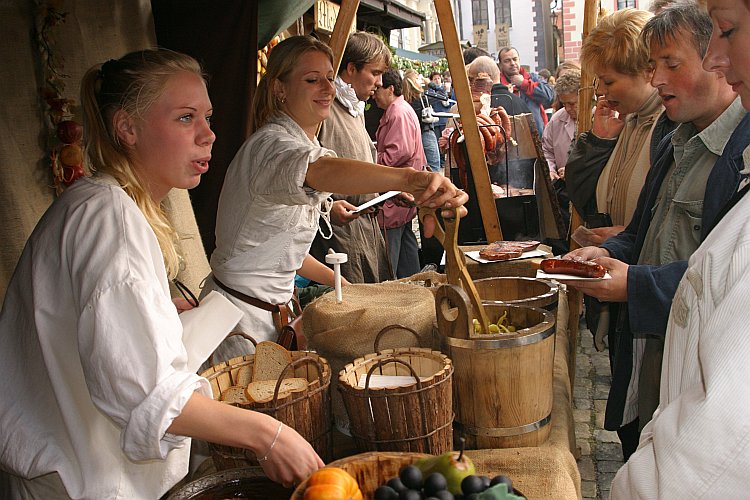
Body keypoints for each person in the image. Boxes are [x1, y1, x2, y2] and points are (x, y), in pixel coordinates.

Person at [0, 48, 324, 499]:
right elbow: (149, 397)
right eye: (185, 118)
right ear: (127, 128)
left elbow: (91, 325)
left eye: (207, 117)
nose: (208, 135)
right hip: (75, 481)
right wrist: (267, 434)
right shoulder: (110, 218)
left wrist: (154, 313)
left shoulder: (107, 204)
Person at [565, 3, 748, 462]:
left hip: (699, 378)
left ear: (716, 60)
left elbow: (726, 282)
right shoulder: (674, 141)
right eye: (653, 66)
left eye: (671, 64)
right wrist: (608, 253)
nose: (659, 79)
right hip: (653, 360)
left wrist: (635, 284)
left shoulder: (739, 154)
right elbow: (643, 230)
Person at [203, 37, 467, 354]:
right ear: (279, 89)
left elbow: (286, 252)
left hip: (274, 316)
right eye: (312, 80)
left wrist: (342, 284)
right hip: (239, 326)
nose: (328, 88)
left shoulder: (297, 141)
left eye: (329, 77)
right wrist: (410, 179)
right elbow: (321, 170)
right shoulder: (271, 145)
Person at [566, 8, 676, 239]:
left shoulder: (673, 124)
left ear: (647, 72)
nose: (600, 91)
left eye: (608, 81)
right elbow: (582, 199)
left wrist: (629, 240)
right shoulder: (625, 119)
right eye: (599, 81)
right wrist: (598, 142)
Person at [308, 31, 391, 284]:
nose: (379, 82)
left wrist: (388, 191)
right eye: (374, 73)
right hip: (339, 236)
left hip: (366, 227)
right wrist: (327, 208)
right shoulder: (324, 110)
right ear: (352, 68)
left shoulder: (356, 109)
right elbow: (304, 173)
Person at [372, 68, 427, 278]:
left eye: (378, 89)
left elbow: (399, 152)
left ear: (391, 89)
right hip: (402, 193)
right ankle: (414, 289)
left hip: (396, 195)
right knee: (406, 248)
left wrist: (368, 160)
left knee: (391, 256)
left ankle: (392, 296)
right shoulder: (399, 109)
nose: (374, 94)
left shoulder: (397, 112)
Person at [542, 70, 581, 254]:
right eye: (564, 103)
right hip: (563, 190)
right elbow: (547, 151)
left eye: (572, 103)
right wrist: (550, 169)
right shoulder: (557, 120)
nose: (568, 109)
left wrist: (573, 170)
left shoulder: (601, 116)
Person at [498, 46, 555, 134]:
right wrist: (506, 94)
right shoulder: (498, 84)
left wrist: (524, 84)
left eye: (515, 59)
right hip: (511, 137)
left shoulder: (532, 77)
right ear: (500, 65)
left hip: (538, 135)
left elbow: (549, 96)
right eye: (507, 61)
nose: (512, 63)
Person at [402, 68, 444, 173]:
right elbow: (442, 95)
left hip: (410, 136)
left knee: (417, 168)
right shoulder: (422, 97)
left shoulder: (403, 99)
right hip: (426, 132)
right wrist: (430, 83)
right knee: (434, 167)